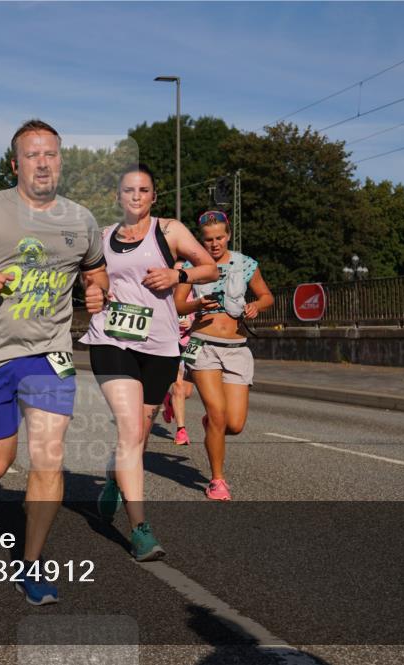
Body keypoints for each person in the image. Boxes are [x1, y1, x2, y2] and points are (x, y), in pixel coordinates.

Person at [0, 119, 108, 605]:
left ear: (61, 160)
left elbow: (97, 272)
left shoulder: (81, 220)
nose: (43, 163)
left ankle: (30, 564)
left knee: (49, 457)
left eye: (50, 154)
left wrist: (97, 292)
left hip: (50, 354)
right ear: (15, 164)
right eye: (32, 155)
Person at [80, 164, 217, 561]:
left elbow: (208, 267)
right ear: (118, 197)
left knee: (138, 434)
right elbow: (91, 278)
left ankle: (114, 476)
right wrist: (94, 291)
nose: (136, 196)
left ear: (154, 196)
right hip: (111, 339)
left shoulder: (170, 230)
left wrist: (178, 276)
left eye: (143, 190)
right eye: (129, 190)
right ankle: (141, 529)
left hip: (159, 345)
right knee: (129, 429)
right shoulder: (103, 237)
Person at [174, 210, 274, 501]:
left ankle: (212, 426)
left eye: (219, 238)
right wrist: (196, 305)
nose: (214, 244)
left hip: (237, 348)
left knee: (235, 425)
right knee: (218, 414)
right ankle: (217, 480)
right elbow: (178, 305)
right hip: (203, 344)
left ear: (228, 235)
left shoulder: (245, 264)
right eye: (208, 239)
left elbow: (267, 296)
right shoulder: (192, 266)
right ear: (201, 240)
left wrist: (256, 306)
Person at [162, 260, 197, 445]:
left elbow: (203, 314)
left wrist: (191, 322)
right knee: (178, 385)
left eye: (183, 272)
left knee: (187, 391)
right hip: (171, 341)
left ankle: (168, 401)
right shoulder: (164, 293)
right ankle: (181, 431)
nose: (179, 276)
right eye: (176, 272)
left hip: (191, 341)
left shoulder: (194, 292)